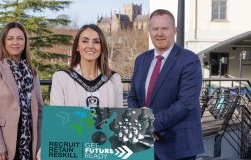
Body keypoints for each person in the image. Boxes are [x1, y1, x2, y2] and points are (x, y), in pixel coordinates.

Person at [127, 9, 204, 160]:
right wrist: (140, 122)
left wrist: (150, 125)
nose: (159, 33)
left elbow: (185, 103)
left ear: (175, 30)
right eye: (155, 29)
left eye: (165, 28)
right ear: (149, 30)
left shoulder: (189, 60)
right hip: (144, 144)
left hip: (178, 146)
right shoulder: (141, 60)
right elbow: (133, 96)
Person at [0, 22, 43, 160]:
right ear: (4, 41)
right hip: (2, 145)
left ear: (25, 42)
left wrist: (41, 145)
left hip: (29, 145)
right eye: (10, 38)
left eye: (20, 38)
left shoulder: (32, 72)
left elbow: (40, 111)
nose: (15, 42)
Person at [50, 24, 123, 108]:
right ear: (77, 46)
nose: (90, 46)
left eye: (96, 42)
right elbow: (57, 118)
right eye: (85, 41)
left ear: (102, 47)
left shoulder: (114, 79)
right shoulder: (61, 77)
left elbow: (118, 117)